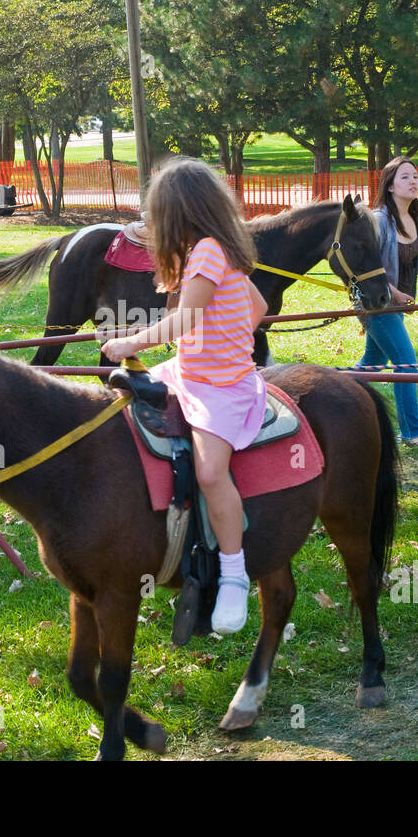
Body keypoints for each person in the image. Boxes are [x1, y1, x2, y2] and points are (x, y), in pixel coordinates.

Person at [102, 159, 268, 635]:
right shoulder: (217, 251)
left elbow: (187, 319)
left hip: (221, 387)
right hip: (190, 373)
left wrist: (134, 342)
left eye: (157, 216)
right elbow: (256, 307)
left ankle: (234, 574)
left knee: (211, 471)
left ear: (177, 213)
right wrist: (227, 330)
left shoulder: (209, 253)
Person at [356, 156, 418, 450]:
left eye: (416, 177)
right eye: (405, 177)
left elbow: (406, 258)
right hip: (378, 303)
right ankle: (413, 433)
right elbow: (370, 268)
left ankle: (333, 391)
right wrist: (394, 292)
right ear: (390, 186)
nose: (413, 181)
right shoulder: (379, 219)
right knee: (407, 365)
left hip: (398, 305)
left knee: (372, 364)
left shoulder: (412, 218)